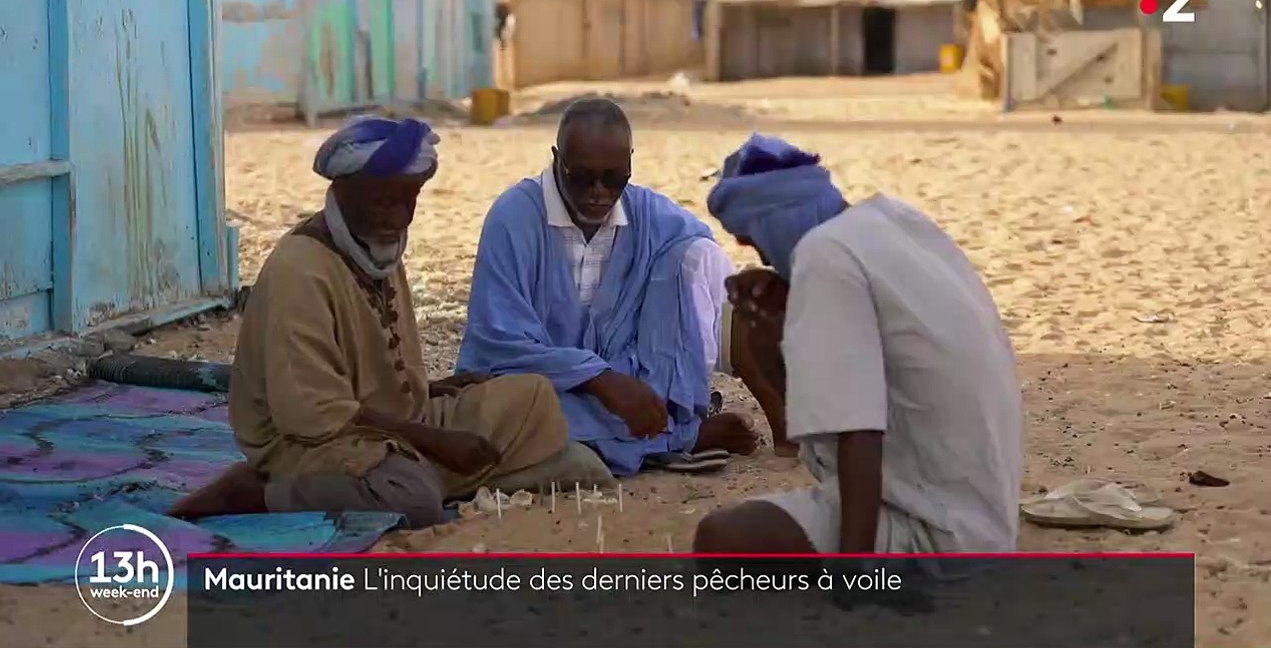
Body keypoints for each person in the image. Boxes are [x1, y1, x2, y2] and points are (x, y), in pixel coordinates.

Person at [169, 116, 604, 529]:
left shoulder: (375, 248)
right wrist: (435, 441)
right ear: (342, 192)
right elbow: (311, 414)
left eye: (408, 201)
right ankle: (259, 491)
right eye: (383, 201)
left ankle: (436, 474)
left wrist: (432, 389)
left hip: (388, 426)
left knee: (533, 395)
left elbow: (380, 371)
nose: (397, 217)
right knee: (412, 499)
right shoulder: (300, 270)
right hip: (306, 443)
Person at [692, 134, 1023, 554]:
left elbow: (858, 431)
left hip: (935, 530)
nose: (753, 254)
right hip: (987, 519)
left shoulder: (825, 254)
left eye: (750, 237)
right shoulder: (893, 219)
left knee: (721, 538)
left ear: (770, 221)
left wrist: (856, 576)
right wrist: (773, 331)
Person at [456, 98, 788, 477]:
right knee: (508, 419)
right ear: (556, 159)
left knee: (692, 256)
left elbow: (711, 276)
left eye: (614, 178)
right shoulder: (513, 218)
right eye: (582, 178)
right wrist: (599, 379)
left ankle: (653, 431)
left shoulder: (648, 214)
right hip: (541, 389)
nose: (598, 192)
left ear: (630, 164)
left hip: (628, 388)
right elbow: (499, 342)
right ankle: (679, 437)